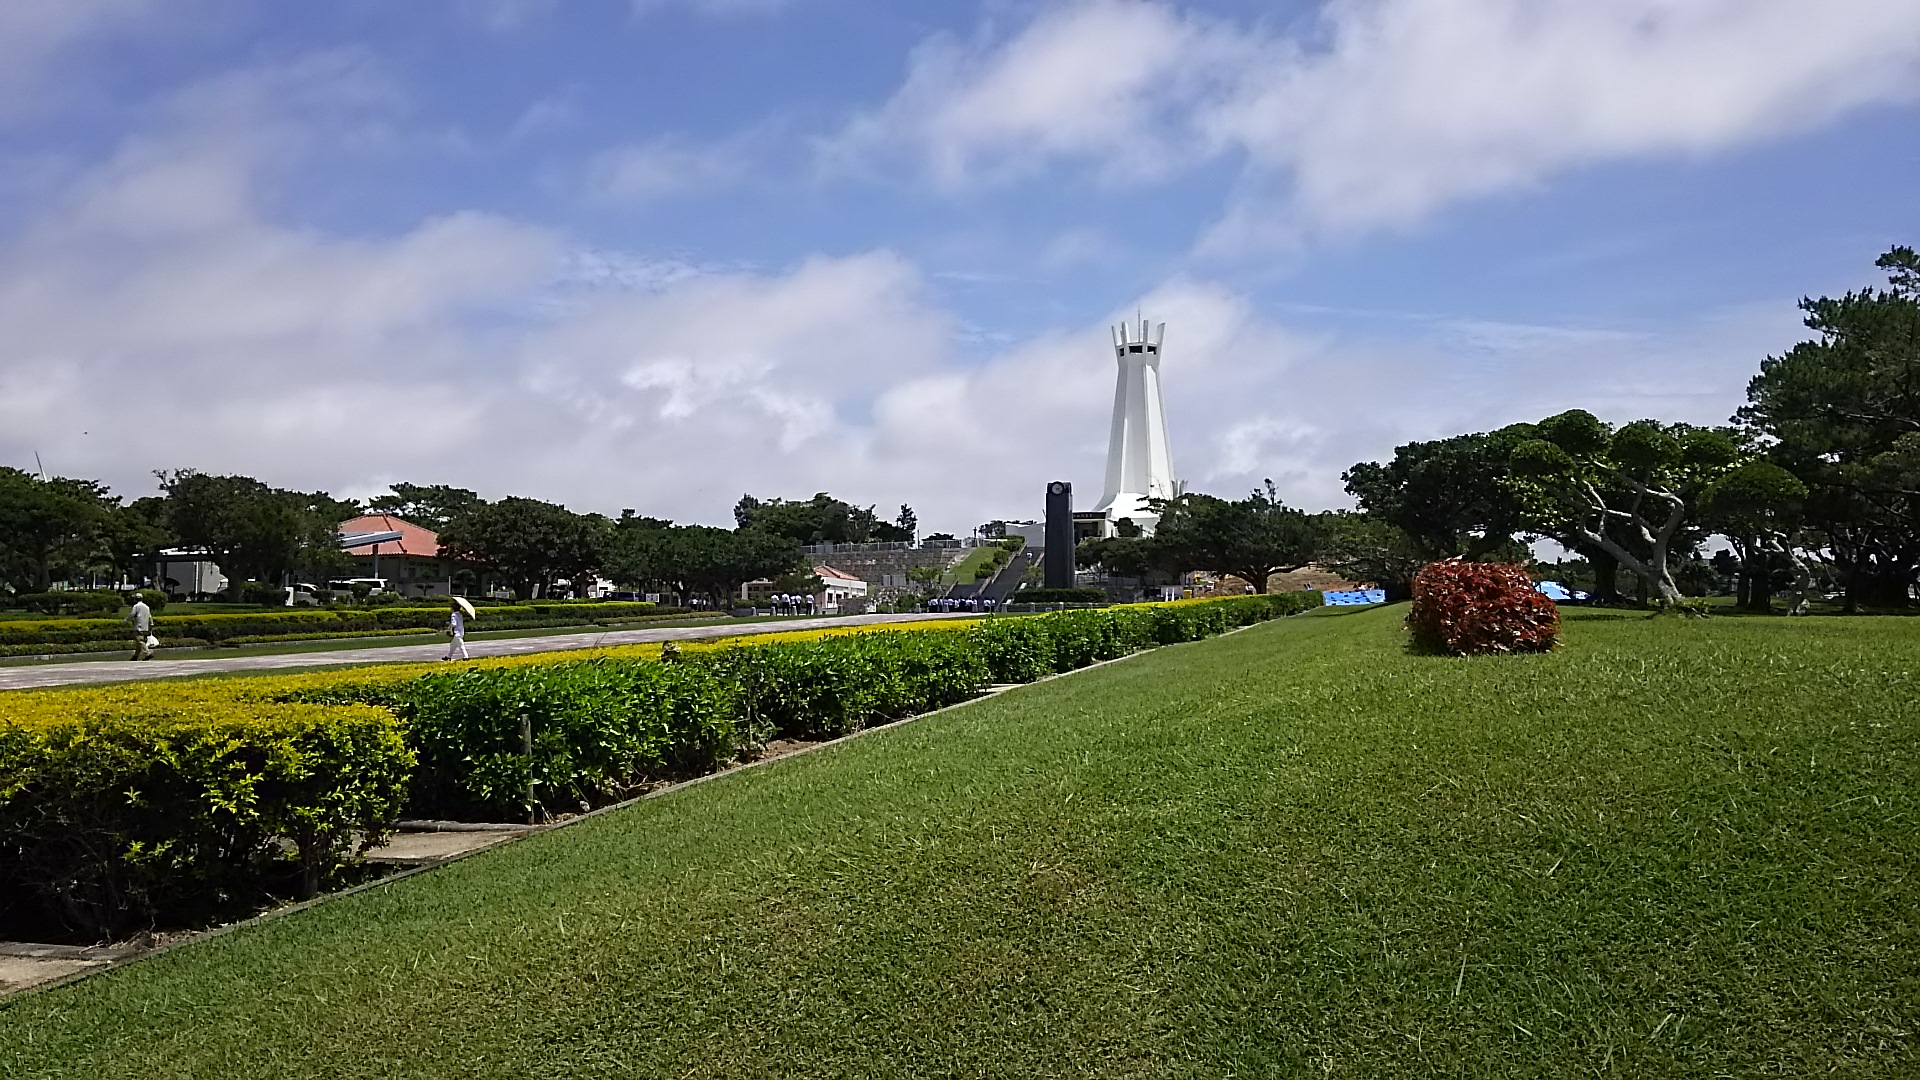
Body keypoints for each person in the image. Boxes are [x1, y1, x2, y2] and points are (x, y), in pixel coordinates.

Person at [124, 594, 154, 660]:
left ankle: (148, 653)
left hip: (138, 627)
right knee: (139, 643)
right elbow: (150, 617)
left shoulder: (136, 606)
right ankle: (135, 656)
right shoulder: (146, 607)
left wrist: (126, 620)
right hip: (145, 627)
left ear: (135, 599)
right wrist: (151, 625)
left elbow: (132, 614)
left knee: (139, 641)